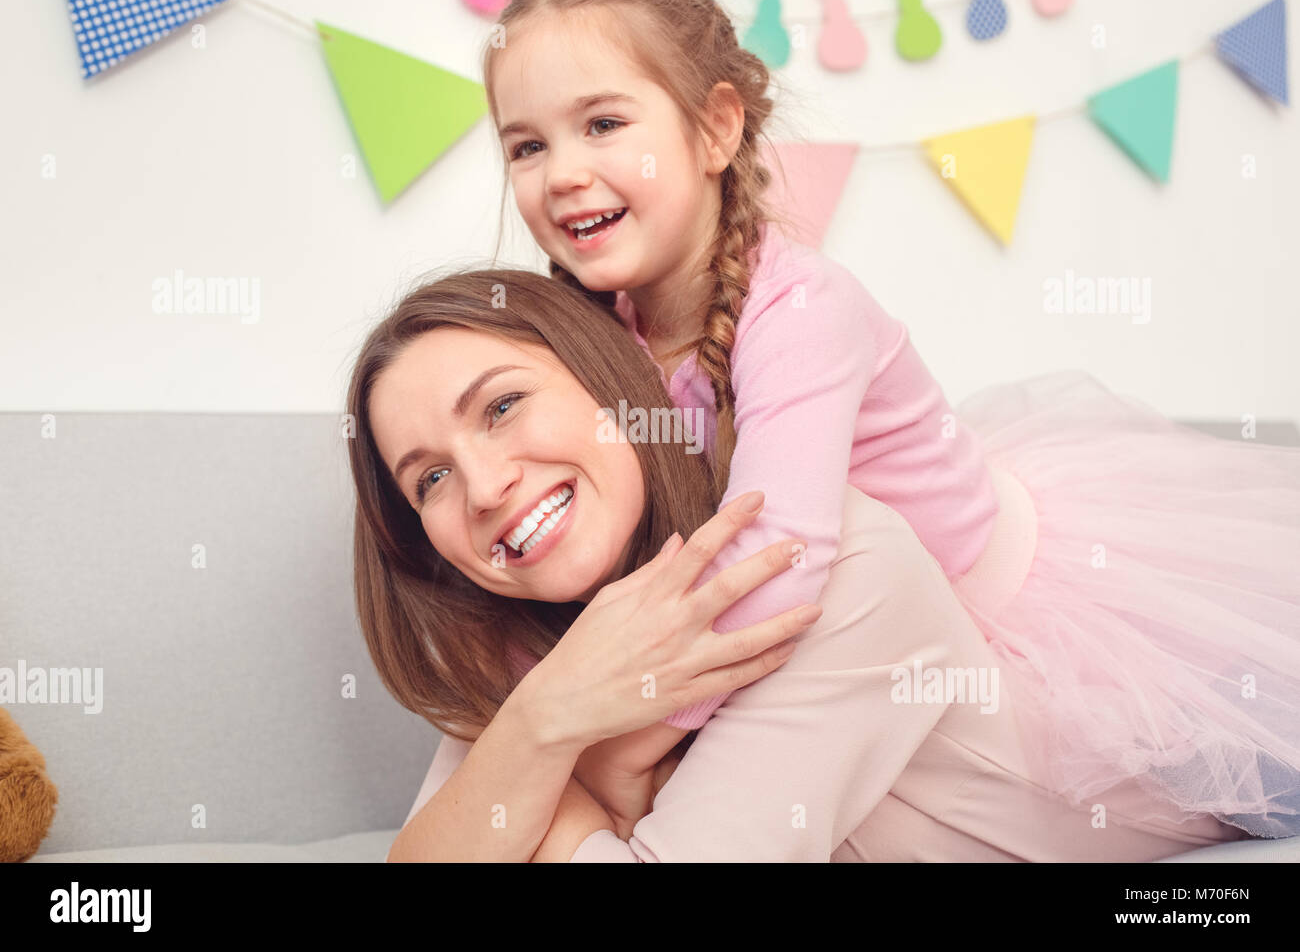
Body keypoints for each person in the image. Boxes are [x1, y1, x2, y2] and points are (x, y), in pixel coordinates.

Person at [479, 0, 1300, 836]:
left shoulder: (799, 310)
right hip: (854, 664)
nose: (564, 172)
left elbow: (780, 559)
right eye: (528, 146)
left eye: (604, 123)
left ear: (716, 130)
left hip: (998, 627)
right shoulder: (593, 344)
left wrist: (634, 738)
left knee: (1214, 771)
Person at [349, 268, 1250, 861]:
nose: (483, 485)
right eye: (428, 478)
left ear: (615, 382)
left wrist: (583, 790)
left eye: (502, 407)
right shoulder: (540, 650)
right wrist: (546, 721)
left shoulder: (838, 563)